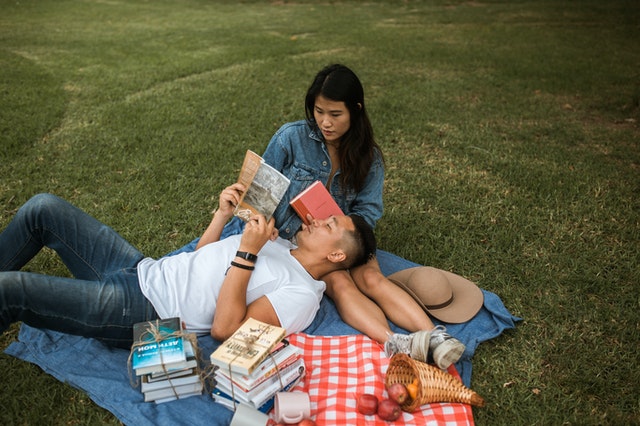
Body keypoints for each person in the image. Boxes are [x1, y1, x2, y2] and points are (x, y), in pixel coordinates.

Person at [217, 64, 470, 369]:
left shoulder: (368, 156)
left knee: (371, 277)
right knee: (340, 283)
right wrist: (266, 224)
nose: (325, 122)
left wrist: (338, 229)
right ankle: (393, 341)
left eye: (335, 114)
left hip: (339, 234)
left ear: (355, 110)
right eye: (319, 111)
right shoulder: (291, 137)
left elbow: (368, 211)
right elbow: (260, 194)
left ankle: (434, 338)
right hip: (290, 239)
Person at [0, 183, 377, 349]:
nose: (314, 220)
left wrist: (247, 252)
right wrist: (221, 215)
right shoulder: (277, 244)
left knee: (10, 290)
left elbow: (226, 330)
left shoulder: (302, 296)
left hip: (144, 311)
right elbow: (200, 258)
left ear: (337, 256)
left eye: (329, 225)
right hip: (141, 270)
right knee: (42, 208)